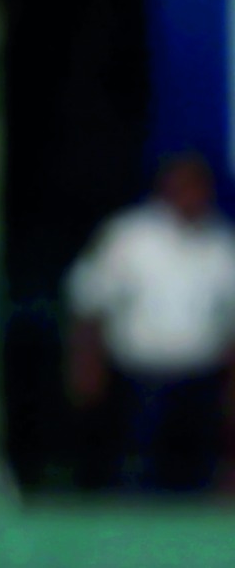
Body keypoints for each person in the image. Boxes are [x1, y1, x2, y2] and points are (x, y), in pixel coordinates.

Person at [65, 151, 235, 493]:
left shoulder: (221, 245)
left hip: (198, 381)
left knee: (193, 476)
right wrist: (86, 367)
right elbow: (90, 302)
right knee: (134, 472)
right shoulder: (129, 237)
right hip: (138, 379)